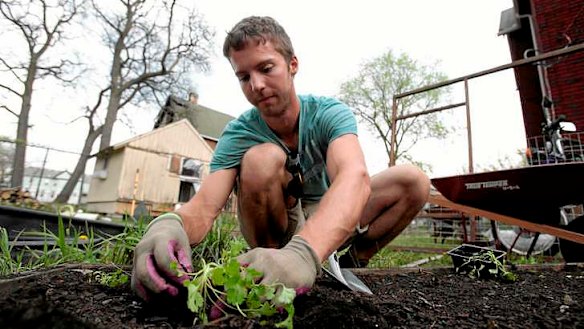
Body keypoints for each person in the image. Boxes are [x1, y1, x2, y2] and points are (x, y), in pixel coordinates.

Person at [131, 15, 430, 301]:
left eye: (266, 68)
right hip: (284, 226)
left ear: (292, 65)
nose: (256, 85)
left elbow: (354, 177)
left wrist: (306, 252)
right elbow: (205, 206)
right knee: (261, 159)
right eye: (244, 76)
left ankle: (349, 263)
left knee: (413, 181)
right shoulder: (238, 134)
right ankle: (271, 266)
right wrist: (169, 224)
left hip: (330, 211)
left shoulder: (328, 114)